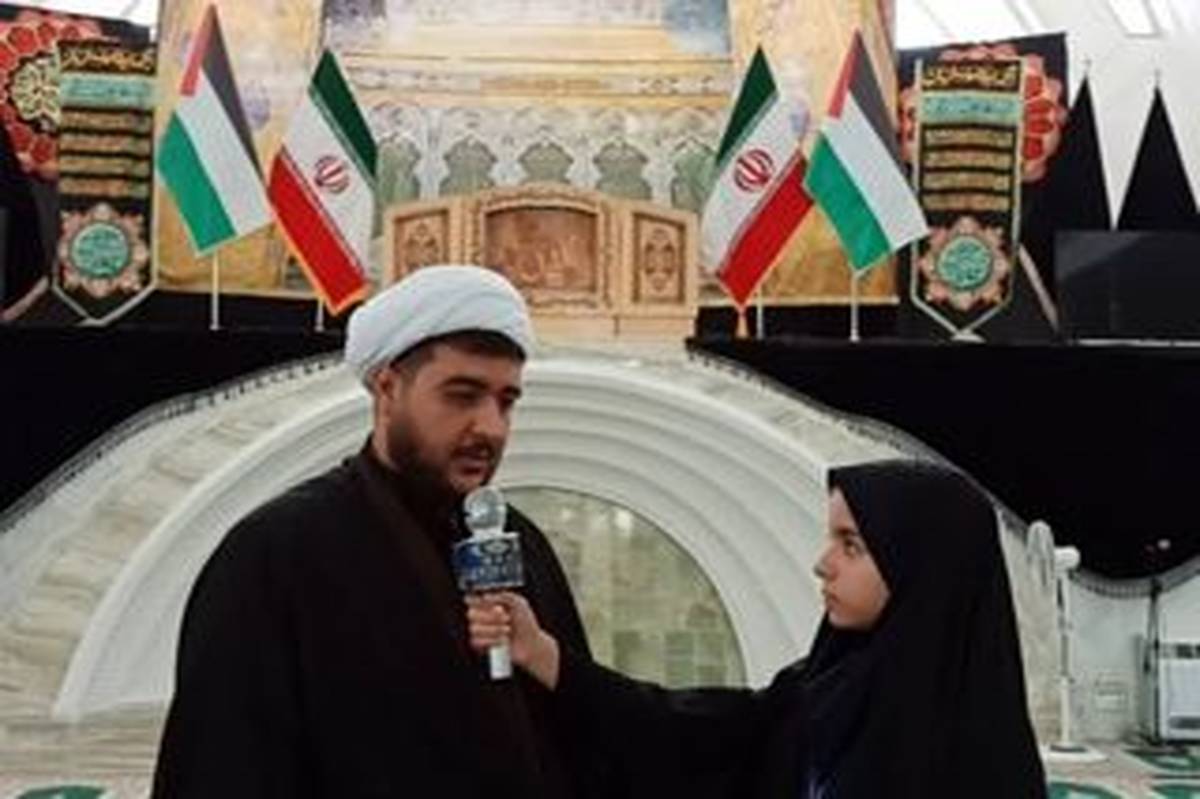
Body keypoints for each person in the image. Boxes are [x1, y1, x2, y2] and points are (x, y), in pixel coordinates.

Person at [153, 265, 611, 798]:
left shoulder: (520, 544)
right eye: (463, 395)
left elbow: (580, 744)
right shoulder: (276, 554)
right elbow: (221, 766)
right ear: (388, 388)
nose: (490, 426)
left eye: (505, 402)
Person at [468, 459, 1048, 797]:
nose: (823, 563)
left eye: (851, 545)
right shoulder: (820, 693)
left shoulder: (976, 758)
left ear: (921, 566)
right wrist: (542, 654)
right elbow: (691, 734)